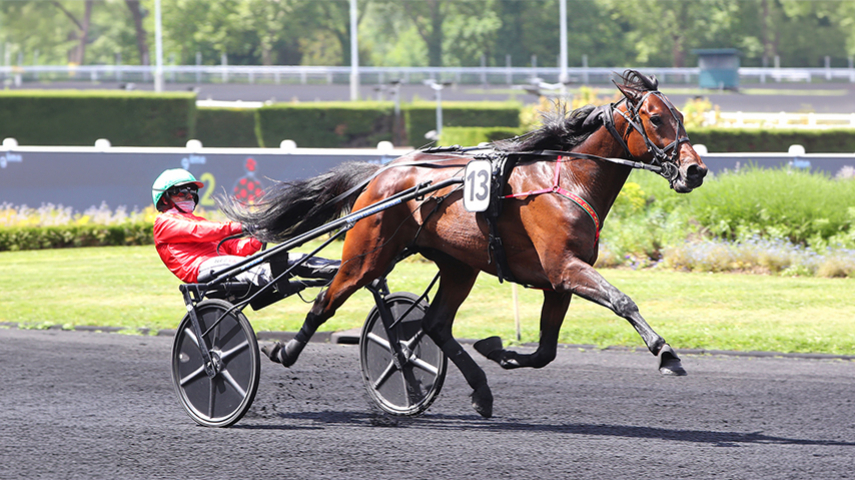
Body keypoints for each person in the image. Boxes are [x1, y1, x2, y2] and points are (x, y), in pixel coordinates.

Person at [151, 168, 339, 286]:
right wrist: (243, 225)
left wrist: (259, 235)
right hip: (199, 268)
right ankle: (267, 277)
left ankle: (343, 270)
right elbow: (201, 233)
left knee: (295, 259)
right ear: (165, 198)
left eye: (192, 192)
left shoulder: (198, 219)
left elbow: (236, 249)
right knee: (250, 266)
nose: (189, 196)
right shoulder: (164, 223)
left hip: (224, 264)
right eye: (182, 192)